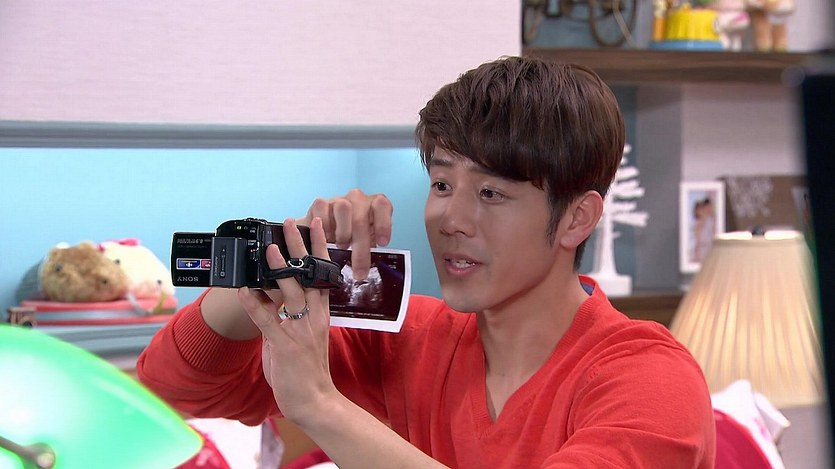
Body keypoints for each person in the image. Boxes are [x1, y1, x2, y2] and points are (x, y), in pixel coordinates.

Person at [138, 56, 716, 468]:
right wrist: (278, 257)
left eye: (491, 193)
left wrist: (319, 404)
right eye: (442, 184)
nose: (450, 219)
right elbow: (173, 387)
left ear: (576, 218)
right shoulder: (408, 339)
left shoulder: (650, 380)